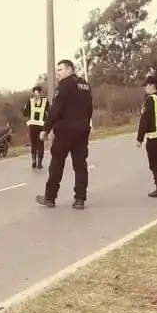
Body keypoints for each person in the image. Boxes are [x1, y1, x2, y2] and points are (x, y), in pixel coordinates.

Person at [35, 59, 94, 210]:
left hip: (66, 130)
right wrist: (86, 124)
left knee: (57, 163)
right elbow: (89, 108)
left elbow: (56, 109)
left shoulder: (64, 85)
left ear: (69, 69)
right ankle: (80, 199)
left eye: (60, 70)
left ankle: (50, 197)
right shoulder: (85, 85)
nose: (57, 74)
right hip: (82, 129)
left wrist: (45, 129)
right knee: (80, 165)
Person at [23, 85, 49, 169]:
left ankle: (35, 161)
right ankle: (38, 162)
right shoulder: (44, 101)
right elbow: (50, 112)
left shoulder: (30, 101)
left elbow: (25, 113)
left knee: (35, 144)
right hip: (39, 126)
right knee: (39, 144)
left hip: (35, 126)